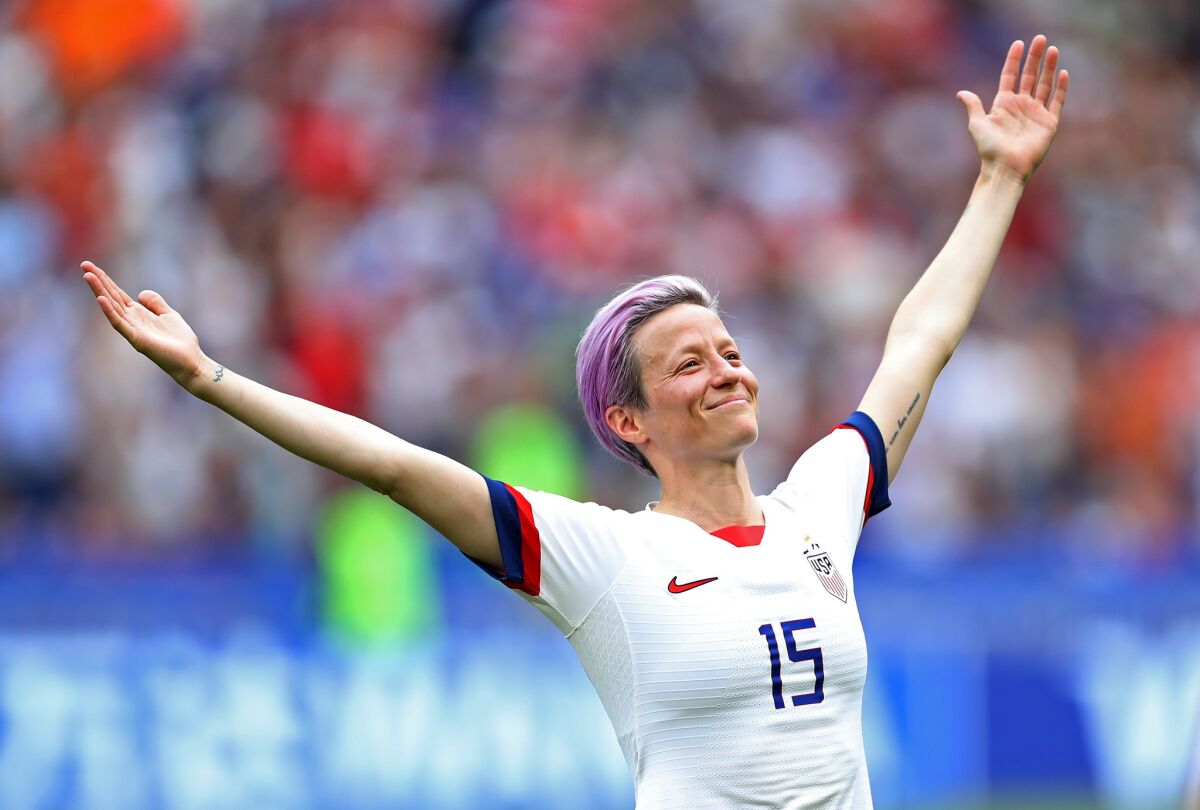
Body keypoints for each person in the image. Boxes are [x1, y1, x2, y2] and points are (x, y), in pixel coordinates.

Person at [82, 34, 1068, 810]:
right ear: (627, 421)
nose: (727, 369)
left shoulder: (819, 510)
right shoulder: (604, 560)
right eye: (690, 363)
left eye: (727, 350)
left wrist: (1000, 181)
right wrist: (212, 377)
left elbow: (919, 343)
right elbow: (391, 465)